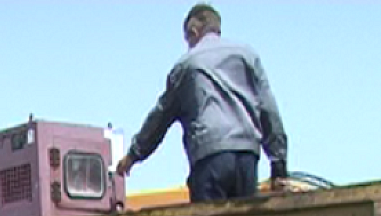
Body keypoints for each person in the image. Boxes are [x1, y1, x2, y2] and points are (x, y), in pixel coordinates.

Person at [115, 4, 288, 202]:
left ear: (193, 32)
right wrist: (278, 164)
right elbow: (268, 109)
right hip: (247, 156)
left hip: (210, 157)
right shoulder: (247, 55)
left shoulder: (187, 66)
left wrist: (133, 156)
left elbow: (159, 119)